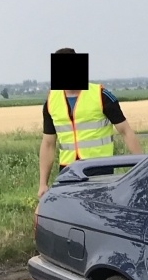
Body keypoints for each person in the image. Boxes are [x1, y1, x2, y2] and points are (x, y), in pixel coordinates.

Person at [38, 47, 141, 198]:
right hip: (68, 172)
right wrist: (42, 184)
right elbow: (48, 143)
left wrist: (141, 169)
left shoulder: (100, 95)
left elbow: (125, 131)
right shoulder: (51, 101)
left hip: (99, 169)